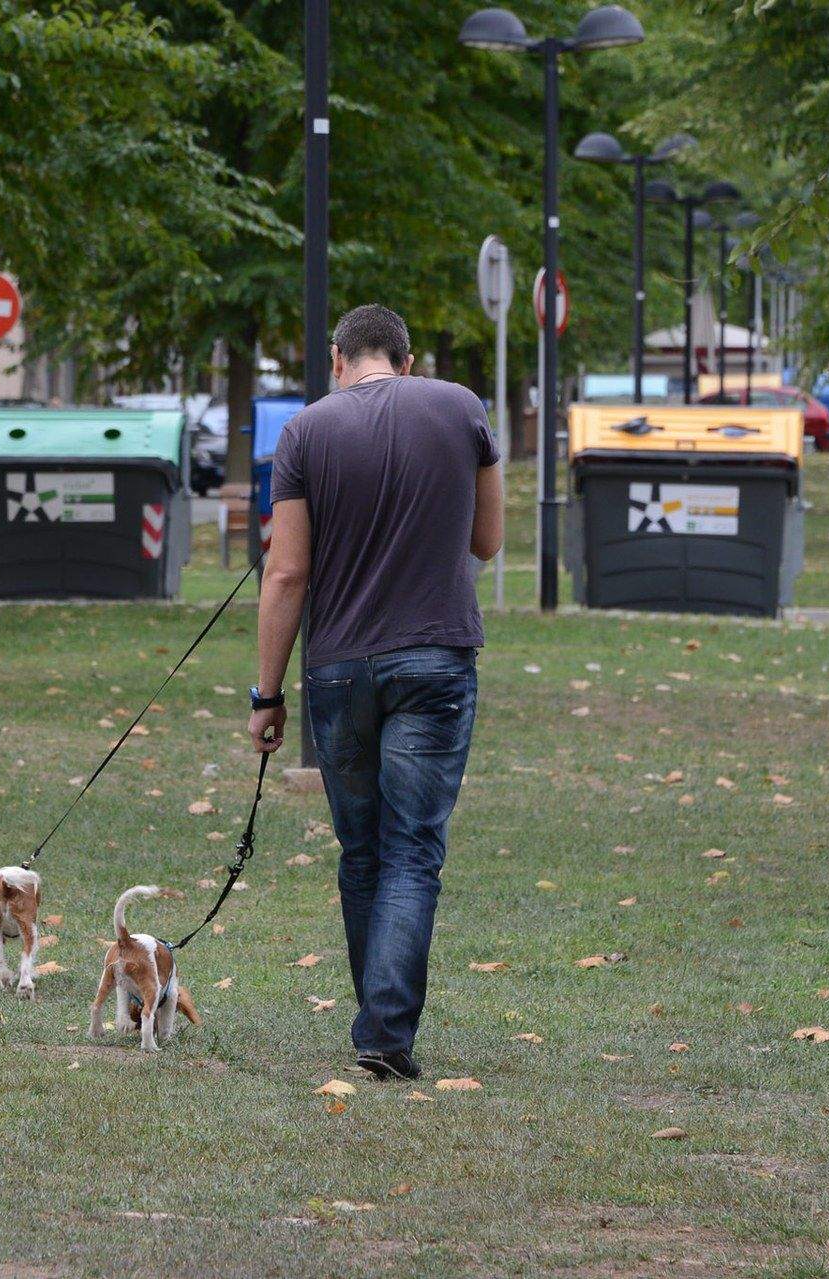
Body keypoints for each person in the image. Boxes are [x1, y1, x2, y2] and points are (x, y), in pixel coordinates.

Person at [246, 303, 503, 1081]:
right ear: (407, 356)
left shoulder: (305, 432)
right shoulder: (462, 409)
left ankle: (378, 1024)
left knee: (363, 849)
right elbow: (486, 541)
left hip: (339, 669)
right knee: (413, 850)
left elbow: (287, 572)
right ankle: (385, 1032)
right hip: (435, 658)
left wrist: (266, 695)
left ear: (335, 359)